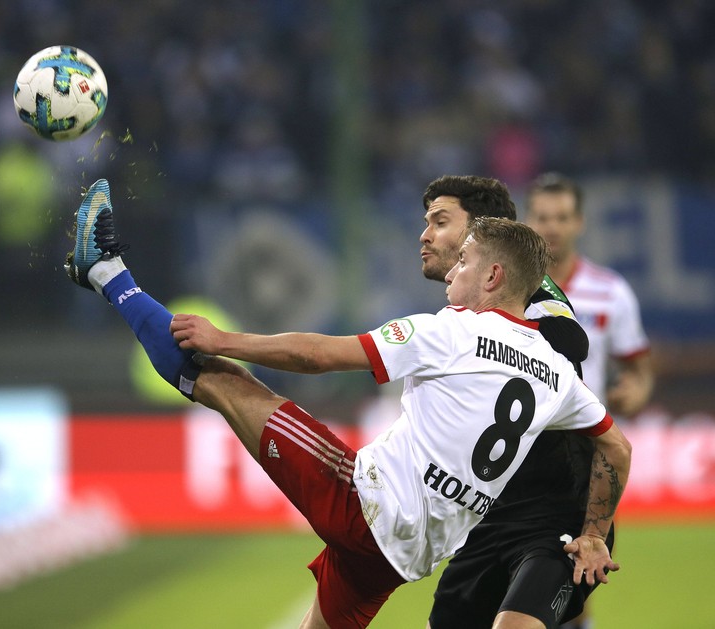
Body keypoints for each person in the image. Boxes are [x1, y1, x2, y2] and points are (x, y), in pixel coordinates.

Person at [64, 179, 631, 629]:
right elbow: (614, 439)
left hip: (364, 503)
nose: (430, 242)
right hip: (401, 558)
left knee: (217, 378)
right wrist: (597, 532)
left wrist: (225, 338)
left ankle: (105, 270)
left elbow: (316, 355)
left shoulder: (451, 331)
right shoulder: (555, 366)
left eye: (443, 227)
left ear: (491, 267)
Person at [416, 175, 611, 629]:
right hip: (492, 514)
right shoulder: (467, 309)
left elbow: (569, 339)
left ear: (483, 233)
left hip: (551, 515)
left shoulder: (534, 296)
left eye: (440, 222)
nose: (425, 236)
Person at [525, 172, 654, 419]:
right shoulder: (507, 288)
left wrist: (634, 393)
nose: (552, 228)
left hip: (587, 440)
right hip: (526, 440)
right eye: (542, 218)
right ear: (528, 221)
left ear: (579, 222)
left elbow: (639, 370)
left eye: (562, 218)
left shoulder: (610, 292)